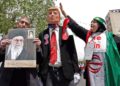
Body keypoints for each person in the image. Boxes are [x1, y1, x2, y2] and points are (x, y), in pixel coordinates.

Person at [60, 3, 120, 86]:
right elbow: (76, 27)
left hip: (106, 73)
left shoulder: (110, 37)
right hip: (91, 74)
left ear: (100, 25)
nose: (91, 24)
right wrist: (65, 15)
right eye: (91, 22)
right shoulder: (88, 35)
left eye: (94, 22)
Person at [36, 6, 81, 86]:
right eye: (50, 13)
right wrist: (38, 47)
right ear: (47, 17)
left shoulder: (66, 31)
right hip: (49, 73)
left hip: (65, 72)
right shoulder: (42, 34)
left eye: (55, 13)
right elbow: (40, 57)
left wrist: (77, 71)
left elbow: (73, 52)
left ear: (59, 17)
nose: (52, 15)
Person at [0, 16, 42, 86]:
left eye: (27, 23)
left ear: (29, 27)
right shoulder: (7, 37)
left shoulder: (34, 39)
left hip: (27, 79)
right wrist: (1, 47)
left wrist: (38, 48)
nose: (24, 24)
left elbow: (40, 60)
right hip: (9, 79)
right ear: (17, 24)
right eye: (22, 22)